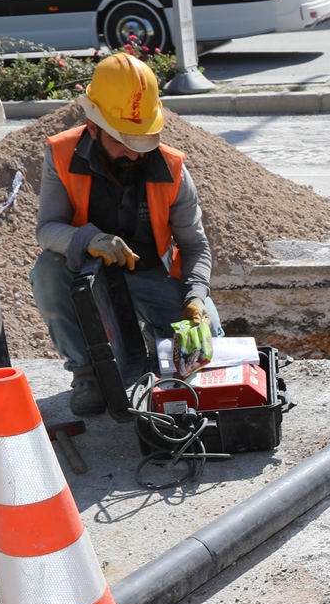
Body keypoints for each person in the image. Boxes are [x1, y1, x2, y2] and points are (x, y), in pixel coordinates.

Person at [29, 52, 221, 415]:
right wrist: (90, 240)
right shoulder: (62, 154)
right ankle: (87, 373)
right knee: (48, 272)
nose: (134, 153)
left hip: (151, 275)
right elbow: (47, 230)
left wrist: (196, 295)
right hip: (90, 275)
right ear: (92, 125)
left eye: (142, 141)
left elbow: (195, 245)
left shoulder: (172, 168)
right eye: (122, 141)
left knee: (209, 342)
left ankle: (154, 340)